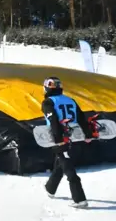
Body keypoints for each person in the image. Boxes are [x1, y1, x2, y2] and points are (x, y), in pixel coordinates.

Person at [41, 77, 92, 208]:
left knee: (68, 168)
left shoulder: (48, 102)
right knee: (61, 162)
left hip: (62, 138)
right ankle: (50, 188)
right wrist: (88, 134)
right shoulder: (71, 100)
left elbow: (53, 121)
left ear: (46, 88)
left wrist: (58, 140)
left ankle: (79, 199)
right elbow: (82, 118)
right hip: (75, 137)